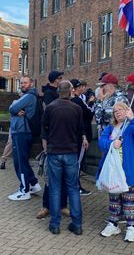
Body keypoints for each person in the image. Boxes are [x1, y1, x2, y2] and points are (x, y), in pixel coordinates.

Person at [42, 80, 88, 235]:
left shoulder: (50, 108)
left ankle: (55, 225)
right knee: (73, 188)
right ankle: (77, 224)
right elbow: (80, 129)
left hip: (54, 152)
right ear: (70, 91)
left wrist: (46, 148)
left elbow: (45, 129)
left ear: (58, 91)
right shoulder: (76, 108)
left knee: (54, 188)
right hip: (70, 152)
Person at [99, 102, 134, 242]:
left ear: (127, 110)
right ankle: (113, 223)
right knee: (114, 198)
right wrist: (111, 144)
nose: (118, 112)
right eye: (115, 111)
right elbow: (101, 141)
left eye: (121, 109)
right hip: (113, 170)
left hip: (129, 169)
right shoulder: (110, 128)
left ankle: (131, 227)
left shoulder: (132, 126)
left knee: (129, 199)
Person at [37, 70, 69, 219]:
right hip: (51, 140)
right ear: (55, 80)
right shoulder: (49, 95)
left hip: (64, 141)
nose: (61, 80)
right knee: (50, 177)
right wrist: (45, 142)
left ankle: (62, 205)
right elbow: (47, 120)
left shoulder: (58, 94)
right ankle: (46, 206)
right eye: (59, 78)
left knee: (63, 177)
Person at [8, 76, 41, 201]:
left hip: (22, 132)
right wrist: (16, 106)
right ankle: (33, 184)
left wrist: (15, 105)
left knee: (19, 162)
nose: (22, 84)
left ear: (31, 83)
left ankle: (24, 190)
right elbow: (15, 108)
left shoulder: (29, 96)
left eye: (25, 82)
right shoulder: (26, 96)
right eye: (21, 83)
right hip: (22, 131)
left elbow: (12, 108)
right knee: (23, 161)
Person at [70, 79, 94, 196]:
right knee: (78, 162)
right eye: (79, 87)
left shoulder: (70, 100)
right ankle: (76, 186)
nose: (81, 89)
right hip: (80, 135)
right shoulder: (77, 101)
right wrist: (92, 102)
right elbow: (89, 114)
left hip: (73, 136)